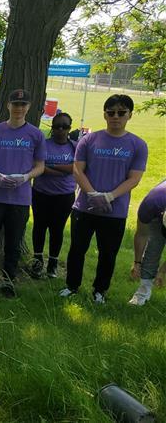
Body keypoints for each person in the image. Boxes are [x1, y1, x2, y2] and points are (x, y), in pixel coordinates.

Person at [61, 94, 148, 303]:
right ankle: (72, 286)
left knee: (108, 253)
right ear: (105, 114)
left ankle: (100, 290)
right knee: (77, 249)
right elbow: (77, 169)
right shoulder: (89, 140)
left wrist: (109, 196)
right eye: (111, 112)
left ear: (129, 115)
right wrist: (92, 194)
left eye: (121, 112)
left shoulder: (137, 145)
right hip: (84, 207)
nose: (115, 117)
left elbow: (134, 178)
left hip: (114, 210)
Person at [0, 89, 45, 298]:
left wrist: (26, 177)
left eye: (23, 105)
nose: (19, 108)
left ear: (28, 107)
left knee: (14, 240)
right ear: (8, 106)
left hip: (20, 197)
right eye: (15, 104)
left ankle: (8, 278)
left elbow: (40, 166)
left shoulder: (36, 134)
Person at [30, 113, 76, 279]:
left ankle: (53, 264)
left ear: (70, 128)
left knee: (57, 229)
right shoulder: (44, 145)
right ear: (52, 128)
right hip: (41, 194)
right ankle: (37, 260)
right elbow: (38, 166)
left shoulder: (74, 146)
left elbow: (76, 168)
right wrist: (62, 169)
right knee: (40, 227)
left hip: (64, 196)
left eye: (65, 126)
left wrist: (53, 166)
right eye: (57, 126)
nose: (61, 130)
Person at [128, 180, 166, 306]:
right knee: (154, 244)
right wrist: (137, 262)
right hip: (158, 210)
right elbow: (142, 234)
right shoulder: (150, 204)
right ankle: (143, 290)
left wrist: (162, 271)